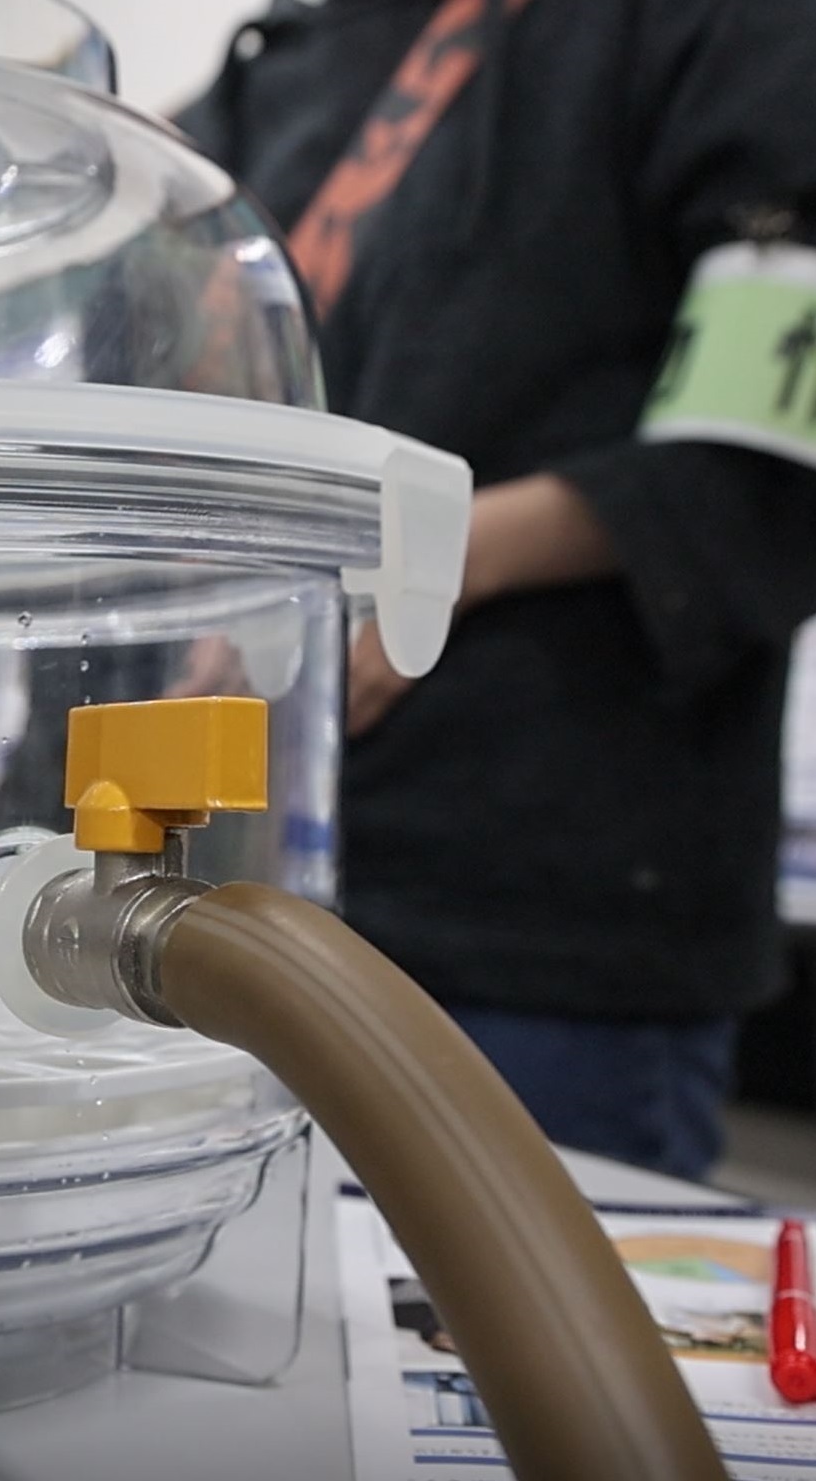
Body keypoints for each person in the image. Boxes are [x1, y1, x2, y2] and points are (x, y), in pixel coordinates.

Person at [174, 0, 816, 1180]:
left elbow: (765, 452)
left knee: (528, 1289)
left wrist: (439, 554)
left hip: (543, 912)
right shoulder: (292, 63)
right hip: (244, 890)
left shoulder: (723, 36)